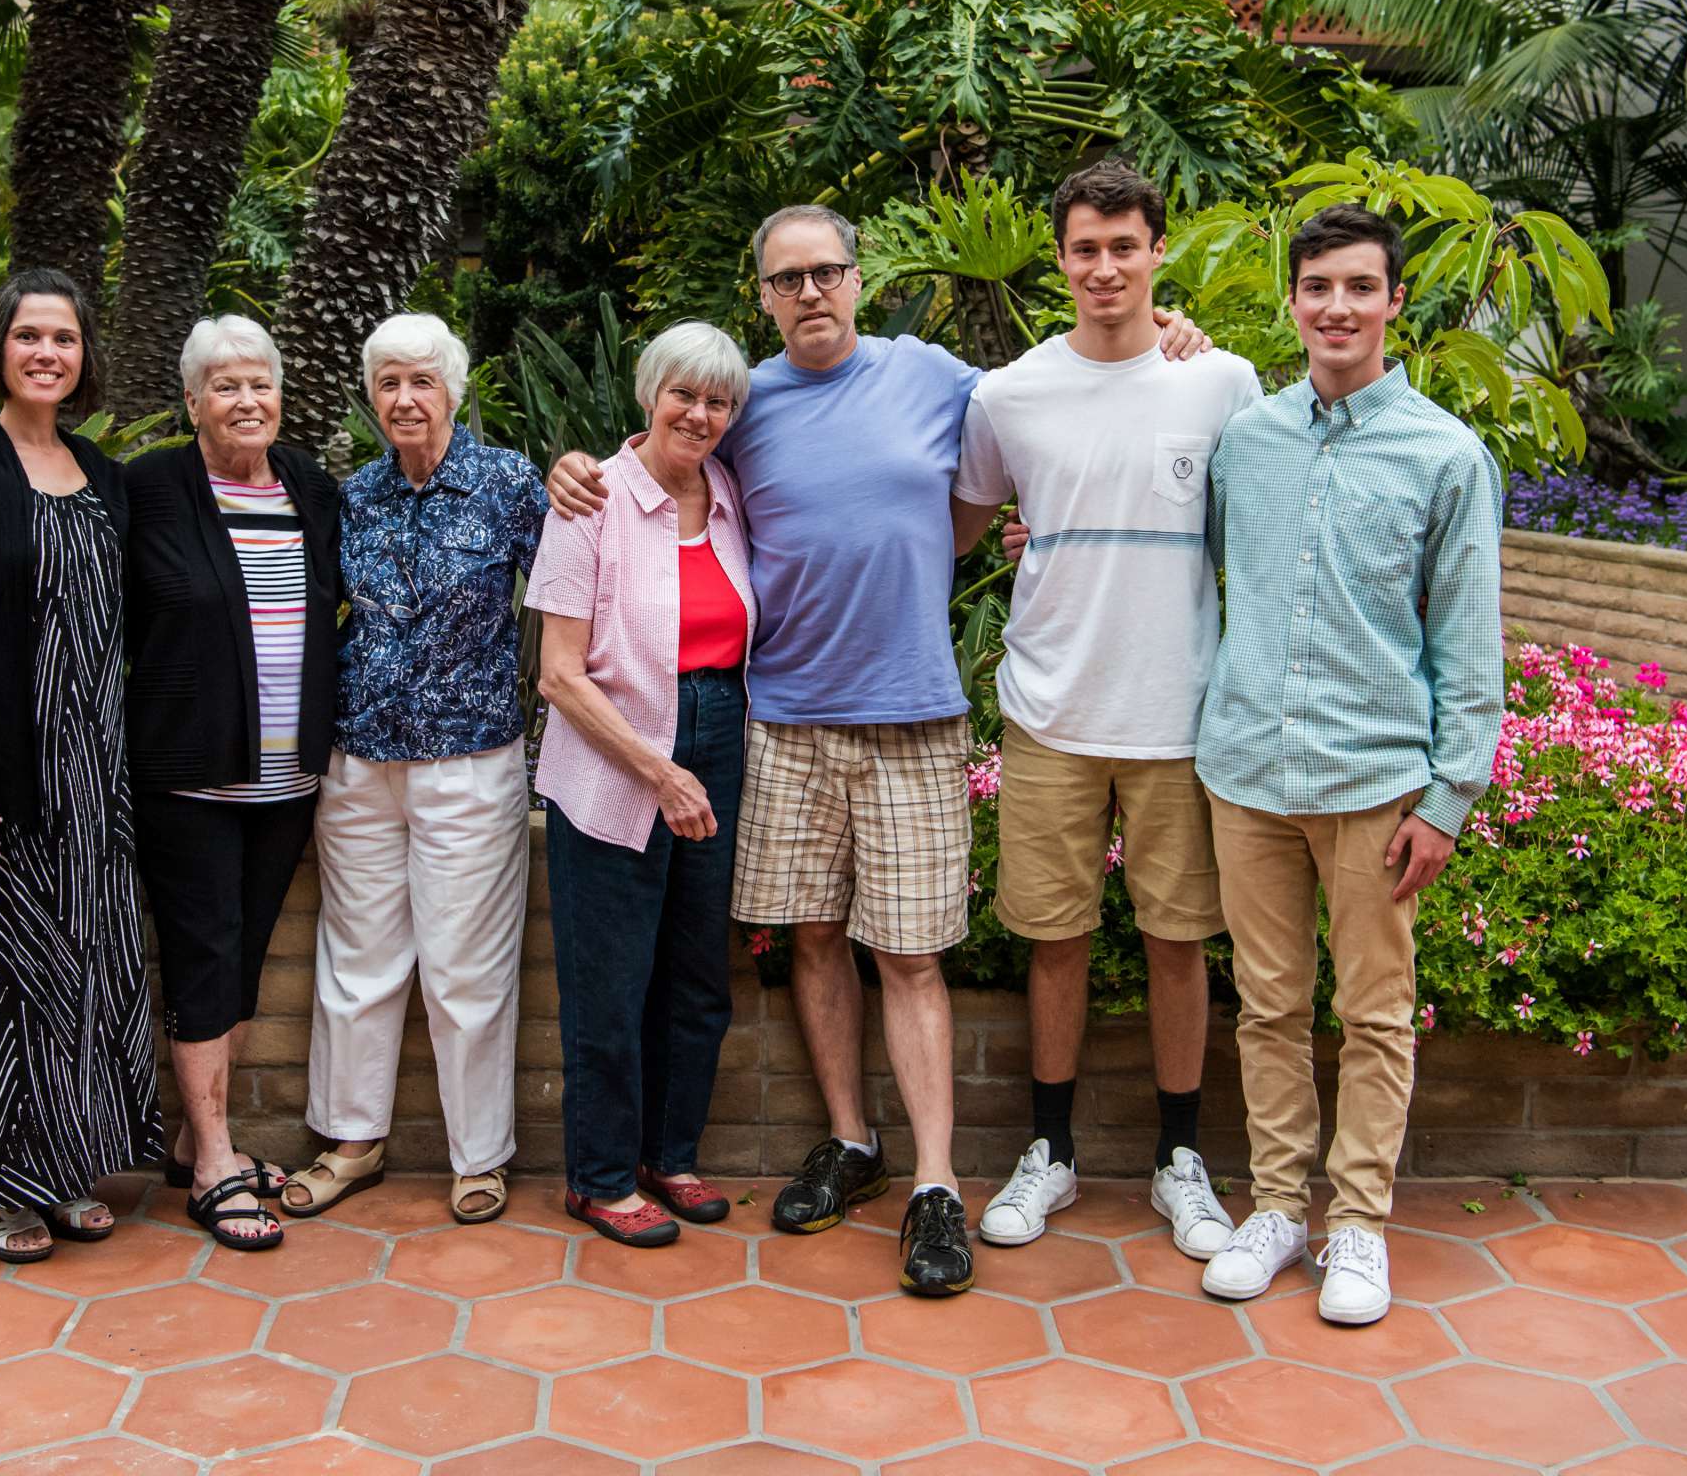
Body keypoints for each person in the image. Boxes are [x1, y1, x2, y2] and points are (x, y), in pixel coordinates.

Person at [548, 206, 1210, 1297]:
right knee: (814, 938)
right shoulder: (746, 404)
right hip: (787, 720)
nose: (810, 292)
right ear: (761, 294)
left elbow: (1059, 389)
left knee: (910, 953)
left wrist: (1167, 331)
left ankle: (937, 1184)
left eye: (828, 272)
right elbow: (654, 458)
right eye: (787, 278)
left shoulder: (935, 376)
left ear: (859, 279)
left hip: (913, 714)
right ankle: (853, 1143)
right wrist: (575, 466)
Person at [1194, 203, 1504, 1326]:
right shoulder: (1248, 441)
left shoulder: (1445, 456)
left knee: (1375, 1009)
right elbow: (1212, 569)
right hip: (1247, 775)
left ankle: (1359, 1221)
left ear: (1394, 303)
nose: (1337, 307)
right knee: (1269, 1004)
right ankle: (1278, 1204)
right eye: (1318, 286)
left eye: (1360, 288)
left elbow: (1469, 638)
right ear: (1293, 300)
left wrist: (1450, 795)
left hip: (1377, 783)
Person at [950, 161, 1259, 1259]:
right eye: (1086, 247)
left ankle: (1182, 1160)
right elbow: (962, 524)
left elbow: (1253, 533)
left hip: (1180, 716)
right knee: (1056, 939)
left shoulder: (1221, 382)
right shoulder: (1010, 394)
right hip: (1050, 712)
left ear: (1156, 252)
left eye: (1125, 245)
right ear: (1061, 258)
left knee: (1180, 942)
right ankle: (1053, 1155)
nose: (1106, 266)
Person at [0, 269, 160, 1263]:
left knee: (80, 977)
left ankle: (63, 1170)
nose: (47, 352)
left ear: (85, 354)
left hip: (92, 780)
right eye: (27, 336)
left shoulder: (102, 473)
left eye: (63, 337)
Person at [285, 313, 547, 1227]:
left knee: (466, 971)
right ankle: (351, 1141)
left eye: (422, 382)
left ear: (454, 391)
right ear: (371, 396)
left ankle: (479, 1155)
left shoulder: (511, 485)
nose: (404, 399)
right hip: (359, 761)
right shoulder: (351, 496)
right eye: (388, 382)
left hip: (471, 761)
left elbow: (573, 587)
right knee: (357, 960)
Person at [528, 322, 757, 1248]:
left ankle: (673, 1156)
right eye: (683, 395)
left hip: (717, 741)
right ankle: (600, 1177)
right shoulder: (591, 501)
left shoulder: (731, 495)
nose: (698, 415)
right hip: (615, 759)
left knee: (698, 977)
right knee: (610, 982)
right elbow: (557, 674)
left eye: (717, 401)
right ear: (648, 393)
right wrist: (660, 774)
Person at [124, 314, 340, 1251]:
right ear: (192, 402)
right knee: (204, 958)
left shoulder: (310, 487)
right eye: (225, 387)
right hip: (189, 778)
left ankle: (188, 1136)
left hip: (288, 780)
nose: (245, 402)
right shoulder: (149, 490)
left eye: (259, 385)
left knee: (243, 955)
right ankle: (215, 1157)